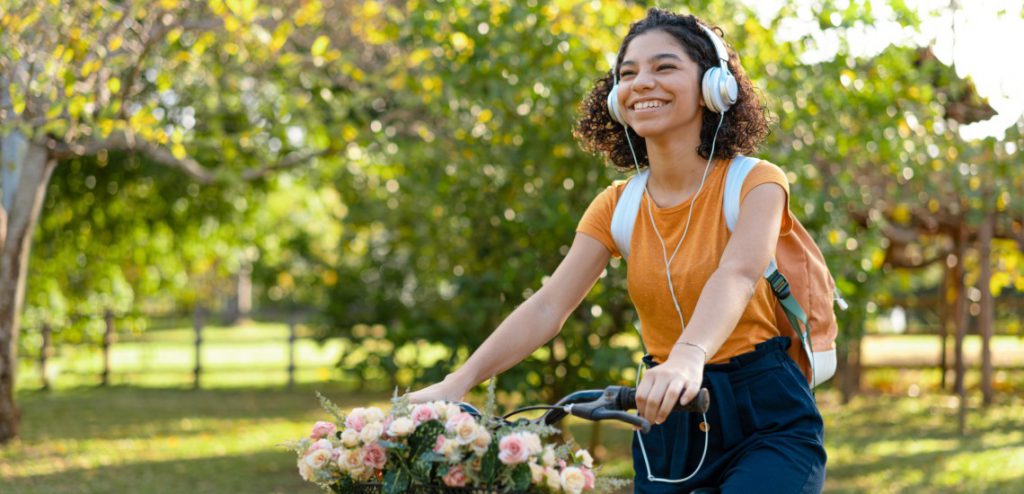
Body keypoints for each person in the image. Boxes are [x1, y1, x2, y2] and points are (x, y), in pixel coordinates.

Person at [408, 8, 826, 493]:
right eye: (628, 73)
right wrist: (458, 382)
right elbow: (549, 304)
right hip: (664, 411)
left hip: (763, 410)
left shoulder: (755, 182)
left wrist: (687, 356)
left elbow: (737, 272)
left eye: (664, 67)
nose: (642, 82)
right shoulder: (616, 206)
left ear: (715, 86)